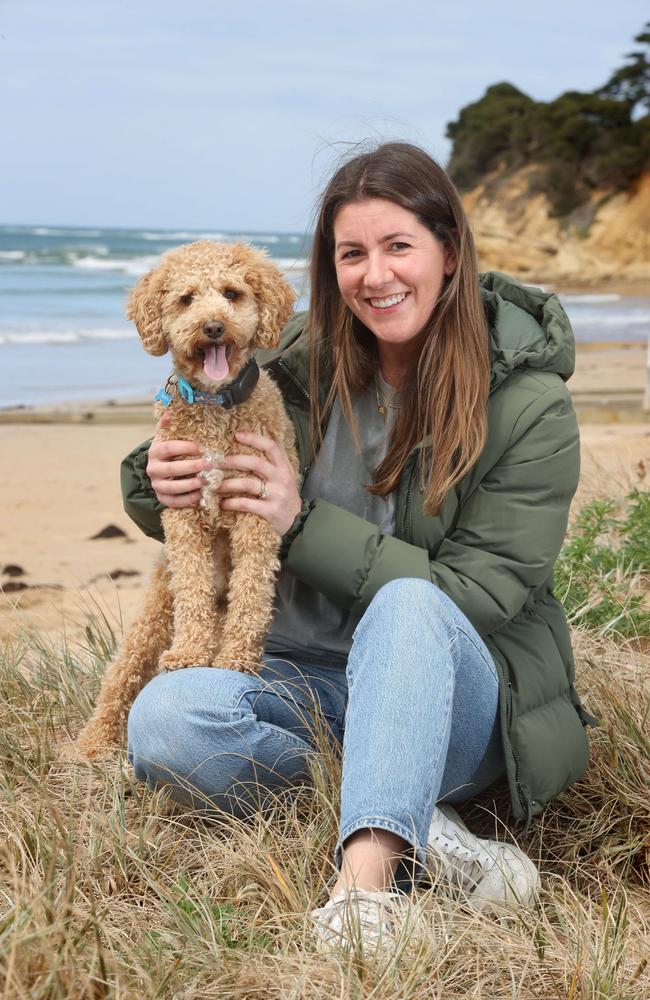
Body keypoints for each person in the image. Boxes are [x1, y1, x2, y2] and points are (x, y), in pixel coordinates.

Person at [121, 142, 592, 950]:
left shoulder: (531, 407)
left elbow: (475, 599)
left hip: (448, 696)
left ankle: (365, 898)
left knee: (412, 601)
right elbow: (189, 439)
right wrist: (152, 473)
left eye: (399, 246)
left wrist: (297, 521)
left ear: (449, 251)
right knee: (165, 723)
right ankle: (417, 818)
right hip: (302, 686)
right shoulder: (295, 357)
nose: (376, 275)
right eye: (352, 254)